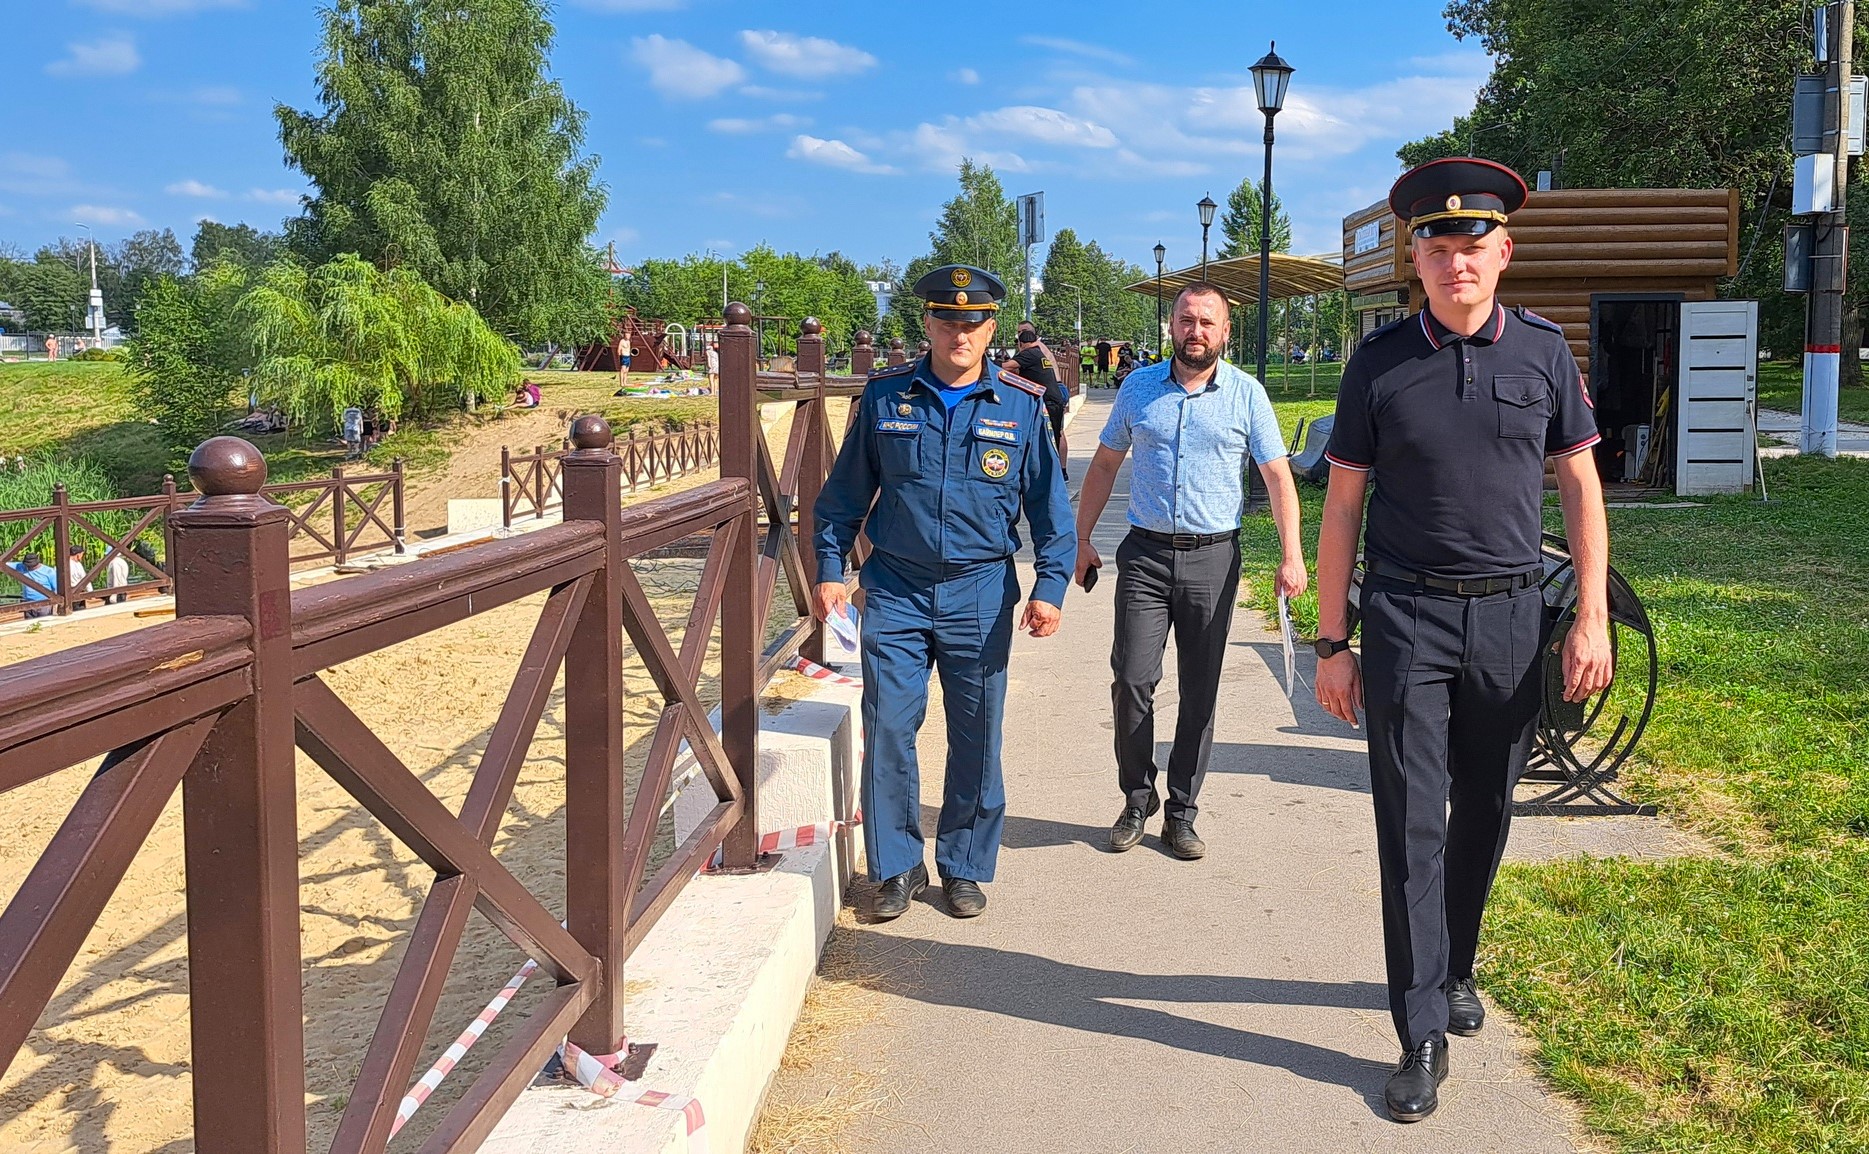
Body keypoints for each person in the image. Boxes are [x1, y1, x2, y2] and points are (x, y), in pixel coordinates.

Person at [1312, 158, 1613, 1123]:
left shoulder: (1543, 353)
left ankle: (1455, 969)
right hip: (1406, 617)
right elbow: (1343, 508)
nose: (1456, 261)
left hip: (1514, 618)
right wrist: (1331, 640)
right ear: (1416, 259)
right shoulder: (1378, 363)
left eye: (1472, 245)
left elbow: (1578, 486)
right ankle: (1418, 1033)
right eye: (1437, 246)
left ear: (1503, 253)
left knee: (1484, 810)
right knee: (1410, 826)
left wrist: (1591, 614)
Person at [813, 264, 1074, 921]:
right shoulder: (884, 399)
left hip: (980, 591)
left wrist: (1049, 586)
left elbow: (1049, 509)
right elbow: (842, 498)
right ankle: (896, 867)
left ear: (991, 329)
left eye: (973, 322)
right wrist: (826, 570)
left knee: (976, 734)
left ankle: (963, 866)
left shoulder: (1019, 404)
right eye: (946, 320)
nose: (959, 332)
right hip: (894, 589)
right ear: (926, 323)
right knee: (891, 728)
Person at [1073, 282, 1307, 860]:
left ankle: (1181, 810)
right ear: (1171, 326)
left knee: (1200, 689)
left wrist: (1292, 553)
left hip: (1213, 558)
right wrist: (1081, 539)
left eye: (1207, 322)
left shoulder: (1247, 395)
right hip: (1146, 556)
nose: (1195, 331)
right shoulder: (1138, 388)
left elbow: (1278, 477)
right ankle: (1136, 796)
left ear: (1225, 331)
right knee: (1132, 678)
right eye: (1185, 319)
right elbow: (1104, 464)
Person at [1000, 324, 1069, 478]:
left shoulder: (1029, 353)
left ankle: (1051, 473)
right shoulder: (1039, 351)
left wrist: (986, 364)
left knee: (1046, 436)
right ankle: (1058, 471)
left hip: (1048, 400)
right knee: (1055, 434)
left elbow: (1007, 367)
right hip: (1055, 395)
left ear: (1021, 343)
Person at [8, 552, 59, 618]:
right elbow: (5, 565)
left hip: (44, 604)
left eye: (31, 566)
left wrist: (56, 604)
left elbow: (57, 588)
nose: (29, 567)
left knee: (44, 622)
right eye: (27, 565)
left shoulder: (49, 572)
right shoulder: (21, 567)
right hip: (28, 604)